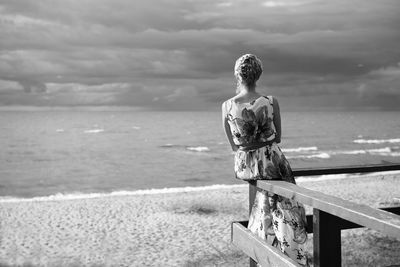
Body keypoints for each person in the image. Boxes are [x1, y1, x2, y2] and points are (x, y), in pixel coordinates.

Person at [222, 54, 309, 266]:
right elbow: (277, 137)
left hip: (246, 166)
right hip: (271, 162)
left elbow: (234, 146)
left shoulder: (227, 106)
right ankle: (289, 256)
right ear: (258, 75)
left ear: (237, 75)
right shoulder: (270, 102)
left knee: (264, 208)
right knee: (287, 211)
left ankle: (267, 256)